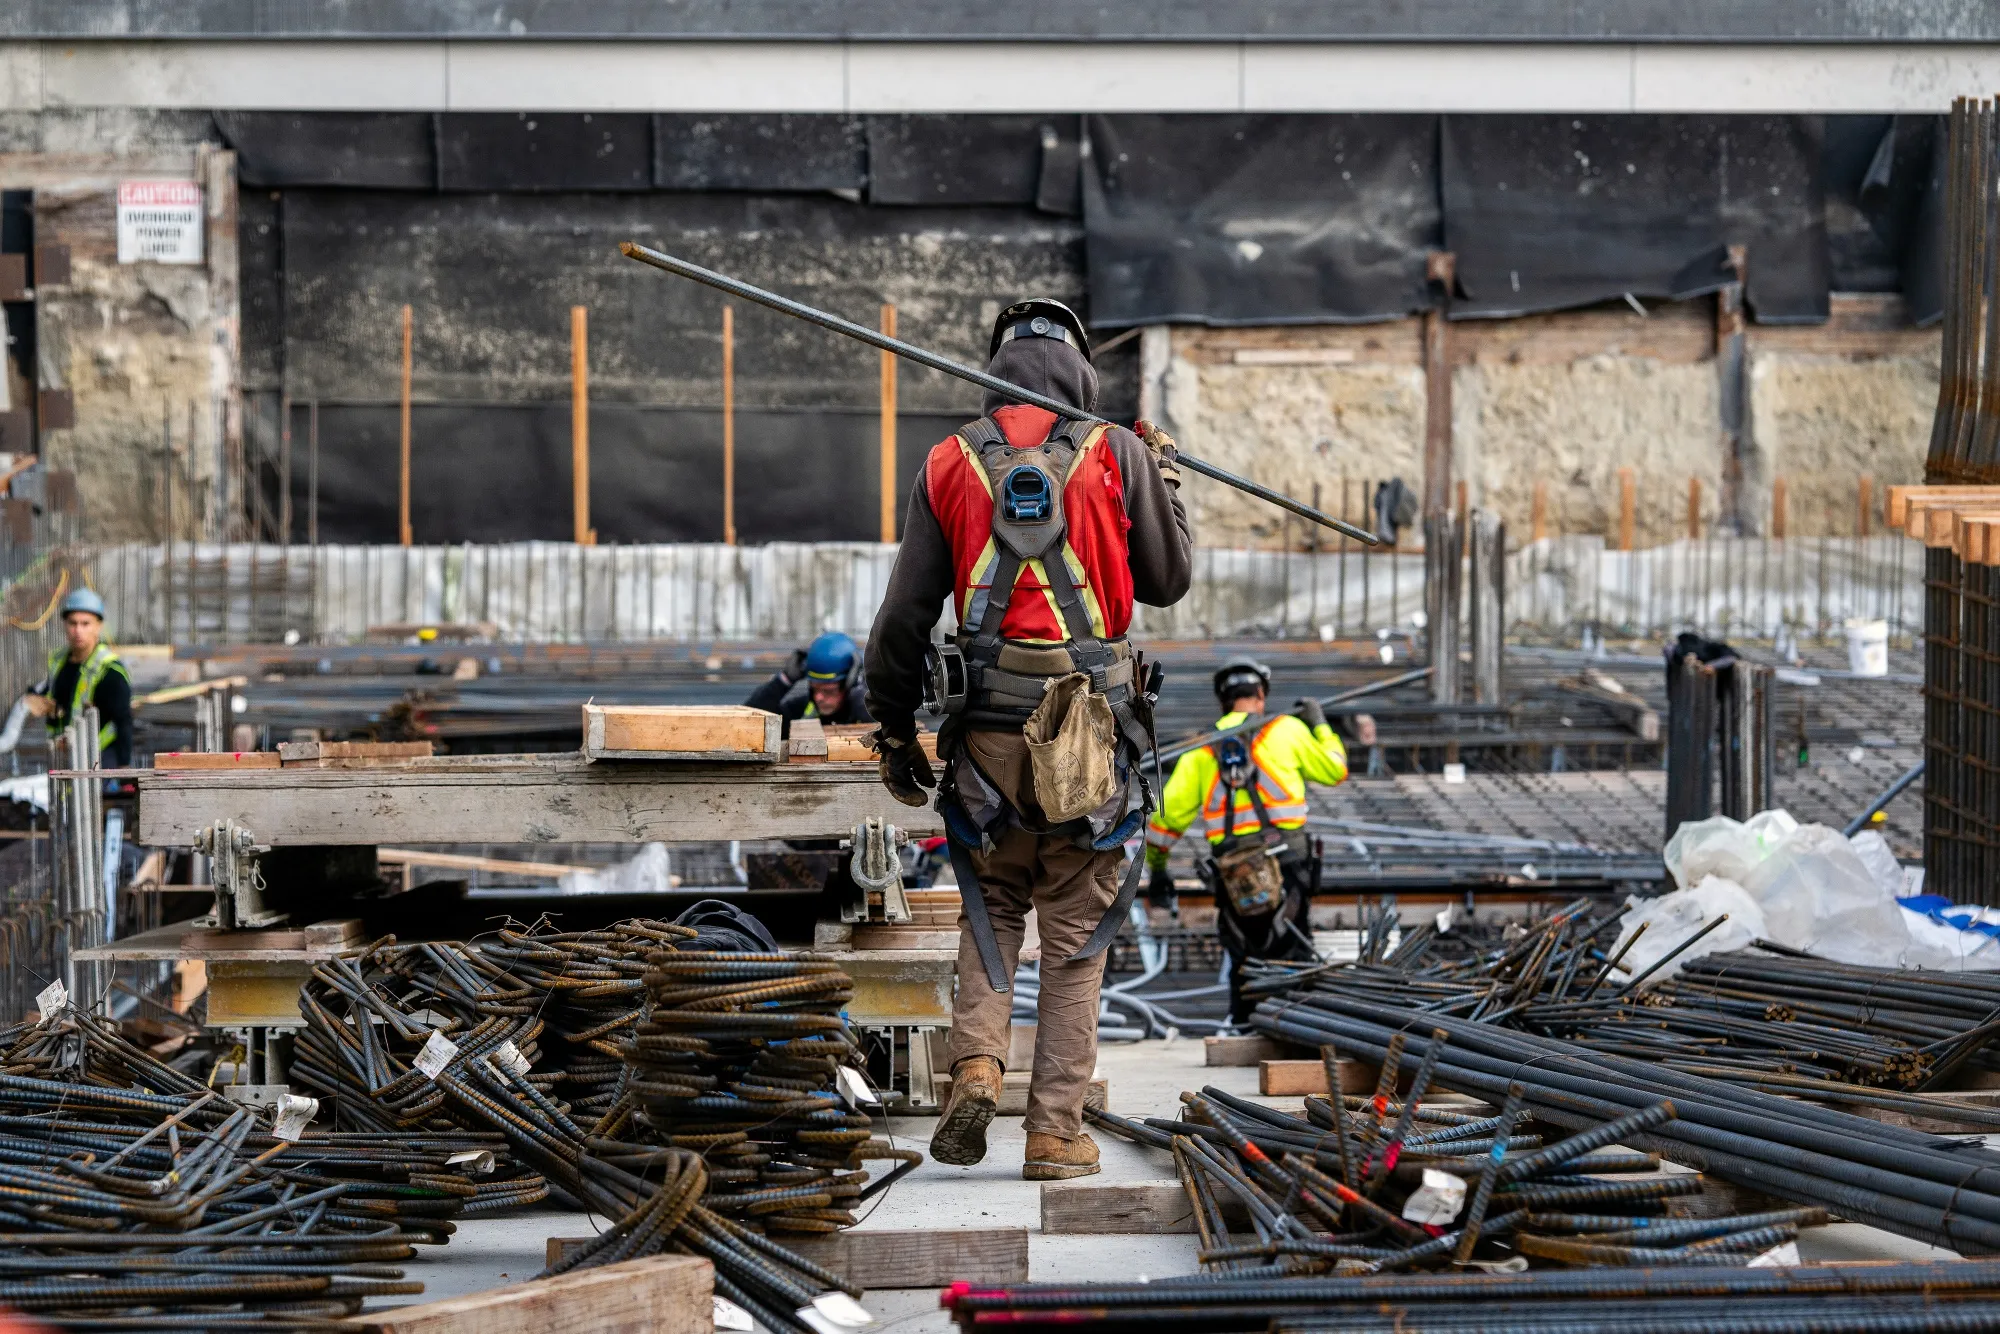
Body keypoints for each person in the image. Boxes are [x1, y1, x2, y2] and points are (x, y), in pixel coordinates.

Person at [864, 296, 1191, 1181]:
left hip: (986, 747)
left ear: (996, 368)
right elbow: (1168, 581)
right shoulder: (1116, 450)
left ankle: (975, 1066)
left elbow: (901, 620)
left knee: (990, 908)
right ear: (1081, 371)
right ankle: (1052, 1133)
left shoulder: (949, 460)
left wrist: (894, 730)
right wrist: (1161, 478)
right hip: (1092, 742)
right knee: (1077, 938)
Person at [1144, 658, 1351, 1025]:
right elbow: (1335, 769)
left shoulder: (1202, 748)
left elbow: (1164, 820)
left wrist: (1159, 871)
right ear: (1260, 694)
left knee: (1243, 953)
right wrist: (1320, 725)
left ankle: (1246, 1026)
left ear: (1223, 701)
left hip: (1233, 871)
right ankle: (1295, 1028)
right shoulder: (1286, 729)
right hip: (1287, 864)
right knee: (1293, 948)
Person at [22, 588, 132, 767]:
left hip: (99, 759)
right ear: (64, 624)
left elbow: (124, 722)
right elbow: (52, 693)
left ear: (99, 626)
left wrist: (124, 767)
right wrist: (36, 698)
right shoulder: (58, 661)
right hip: (63, 756)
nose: (78, 630)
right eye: (73, 623)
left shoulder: (110, 670)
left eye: (85, 623)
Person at [744, 631, 873, 732]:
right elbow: (748, 719)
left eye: (828, 691)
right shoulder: (804, 709)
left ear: (849, 684)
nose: (819, 698)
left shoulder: (863, 711)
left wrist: (861, 700)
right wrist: (784, 680)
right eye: (814, 688)